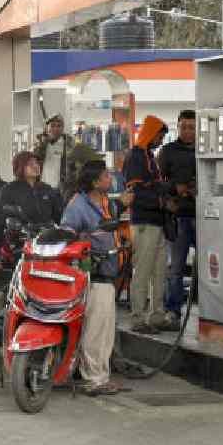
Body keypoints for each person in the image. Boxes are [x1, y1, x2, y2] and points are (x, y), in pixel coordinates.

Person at [61, 161, 134, 396]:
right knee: (95, 329)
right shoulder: (77, 206)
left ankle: (100, 376)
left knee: (104, 329)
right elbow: (67, 237)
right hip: (92, 274)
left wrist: (120, 205)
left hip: (107, 273)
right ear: (94, 181)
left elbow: (107, 219)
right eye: (105, 176)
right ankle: (93, 379)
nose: (109, 179)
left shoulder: (101, 202)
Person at [123, 115, 177, 334]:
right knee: (143, 272)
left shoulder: (148, 156)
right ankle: (137, 318)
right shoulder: (136, 156)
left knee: (159, 271)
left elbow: (153, 186)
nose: (160, 140)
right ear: (150, 133)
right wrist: (162, 200)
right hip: (144, 222)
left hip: (157, 222)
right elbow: (135, 192)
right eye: (159, 136)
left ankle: (156, 315)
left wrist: (168, 191)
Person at [157, 110, 197, 327]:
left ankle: (213, 312)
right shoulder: (167, 152)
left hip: (206, 217)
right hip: (178, 218)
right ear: (178, 127)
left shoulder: (205, 149)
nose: (188, 131)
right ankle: (173, 312)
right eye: (184, 127)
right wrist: (175, 189)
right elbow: (158, 183)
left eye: (192, 127)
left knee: (213, 267)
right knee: (176, 268)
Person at [0, 151, 63, 261]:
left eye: (36, 163)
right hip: (20, 246)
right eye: (30, 164)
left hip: (48, 246)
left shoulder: (47, 189)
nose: (35, 166)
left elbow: (59, 218)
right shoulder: (9, 190)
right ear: (20, 167)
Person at [34, 114, 100, 201]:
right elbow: (34, 158)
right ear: (47, 127)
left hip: (63, 189)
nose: (55, 129)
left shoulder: (70, 144)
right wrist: (43, 141)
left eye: (59, 126)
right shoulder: (41, 142)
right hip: (43, 188)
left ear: (63, 127)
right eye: (52, 125)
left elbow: (80, 164)